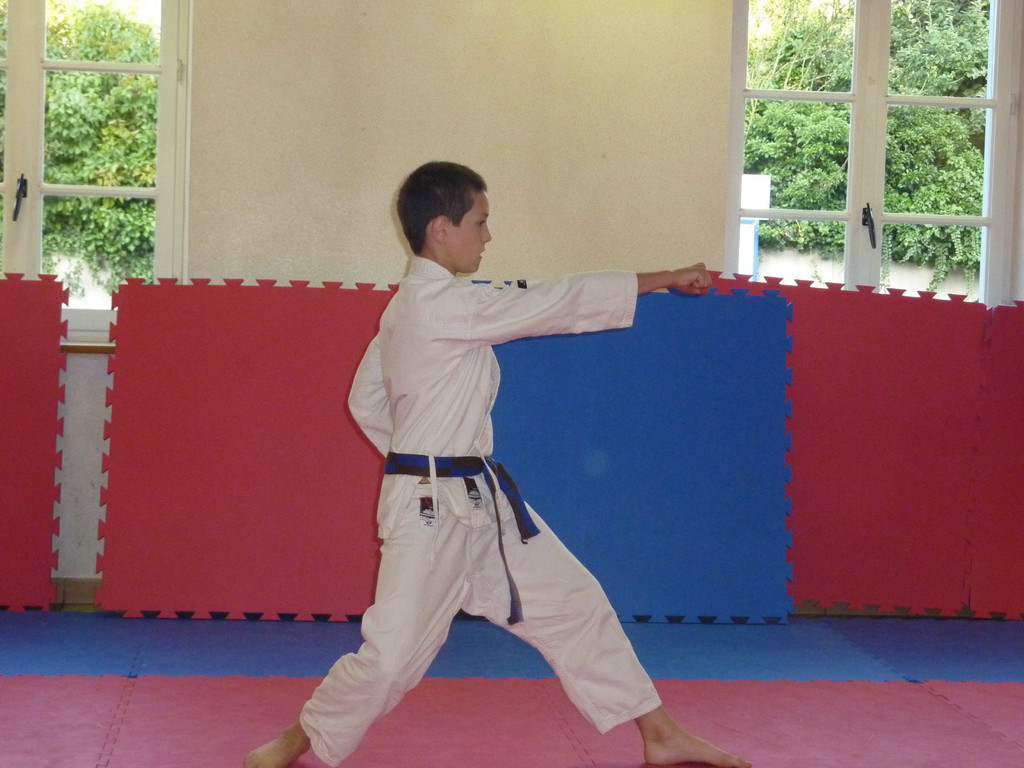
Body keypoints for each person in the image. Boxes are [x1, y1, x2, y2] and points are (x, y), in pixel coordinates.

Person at [244, 161, 751, 768]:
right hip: (431, 510)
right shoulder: (443, 305)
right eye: (480, 223)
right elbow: (555, 302)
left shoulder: (409, 308)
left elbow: (366, 400)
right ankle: (295, 739)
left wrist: (417, 453)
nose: (488, 236)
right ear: (441, 229)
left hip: (478, 498)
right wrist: (664, 277)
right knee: (392, 658)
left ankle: (659, 733)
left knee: (575, 601)